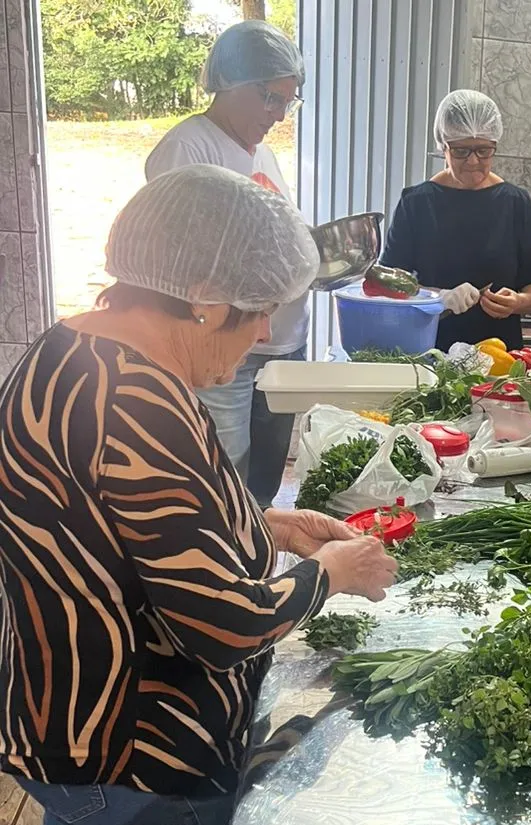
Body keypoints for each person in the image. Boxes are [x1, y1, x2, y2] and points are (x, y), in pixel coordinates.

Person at [0, 166, 398, 825]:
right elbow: (221, 625)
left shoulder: (73, 347)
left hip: (68, 735)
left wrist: (269, 524)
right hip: (135, 760)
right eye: (260, 307)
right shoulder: (132, 402)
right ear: (205, 297)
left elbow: (134, 530)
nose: (265, 333)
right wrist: (329, 573)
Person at [144, 20, 309, 510]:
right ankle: (230, 577)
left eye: (288, 101)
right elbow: (180, 262)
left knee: (263, 478)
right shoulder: (188, 148)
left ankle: (254, 559)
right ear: (231, 84)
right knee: (225, 472)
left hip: (280, 344)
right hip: (225, 351)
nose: (278, 115)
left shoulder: (263, 152)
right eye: (270, 99)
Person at [378, 89, 531, 352]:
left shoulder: (515, 203)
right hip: (429, 352)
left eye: (483, 150)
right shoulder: (417, 203)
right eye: (460, 151)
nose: (473, 161)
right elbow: (387, 282)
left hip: (499, 359)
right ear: (443, 147)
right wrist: (439, 298)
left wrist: (518, 301)